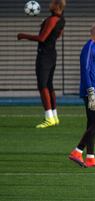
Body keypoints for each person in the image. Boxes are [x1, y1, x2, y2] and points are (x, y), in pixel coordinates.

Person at [17, 0, 66, 128]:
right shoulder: (62, 20)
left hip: (44, 55)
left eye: (51, 3)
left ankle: (48, 118)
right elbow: (59, 35)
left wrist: (23, 35)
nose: (49, 5)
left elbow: (42, 38)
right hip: (52, 55)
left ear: (56, 6)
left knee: (42, 85)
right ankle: (54, 117)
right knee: (49, 85)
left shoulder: (52, 19)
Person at [68, 23, 95, 168]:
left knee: (92, 124)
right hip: (91, 93)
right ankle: (77, 152)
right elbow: (84, 71)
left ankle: (90, 157)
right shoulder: (89, 47)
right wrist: (91, 93)